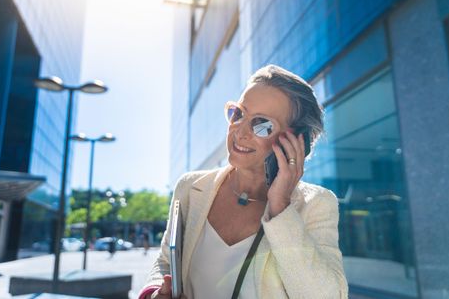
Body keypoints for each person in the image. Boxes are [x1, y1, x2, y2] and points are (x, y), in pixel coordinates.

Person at [139, 65, 348, 298]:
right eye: (239, 114)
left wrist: (280, 208)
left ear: (297, 141)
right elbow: (166, 263)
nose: (239, 131)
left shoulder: (317, 204)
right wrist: (156, 292)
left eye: (262, 125)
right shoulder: (190, 188)